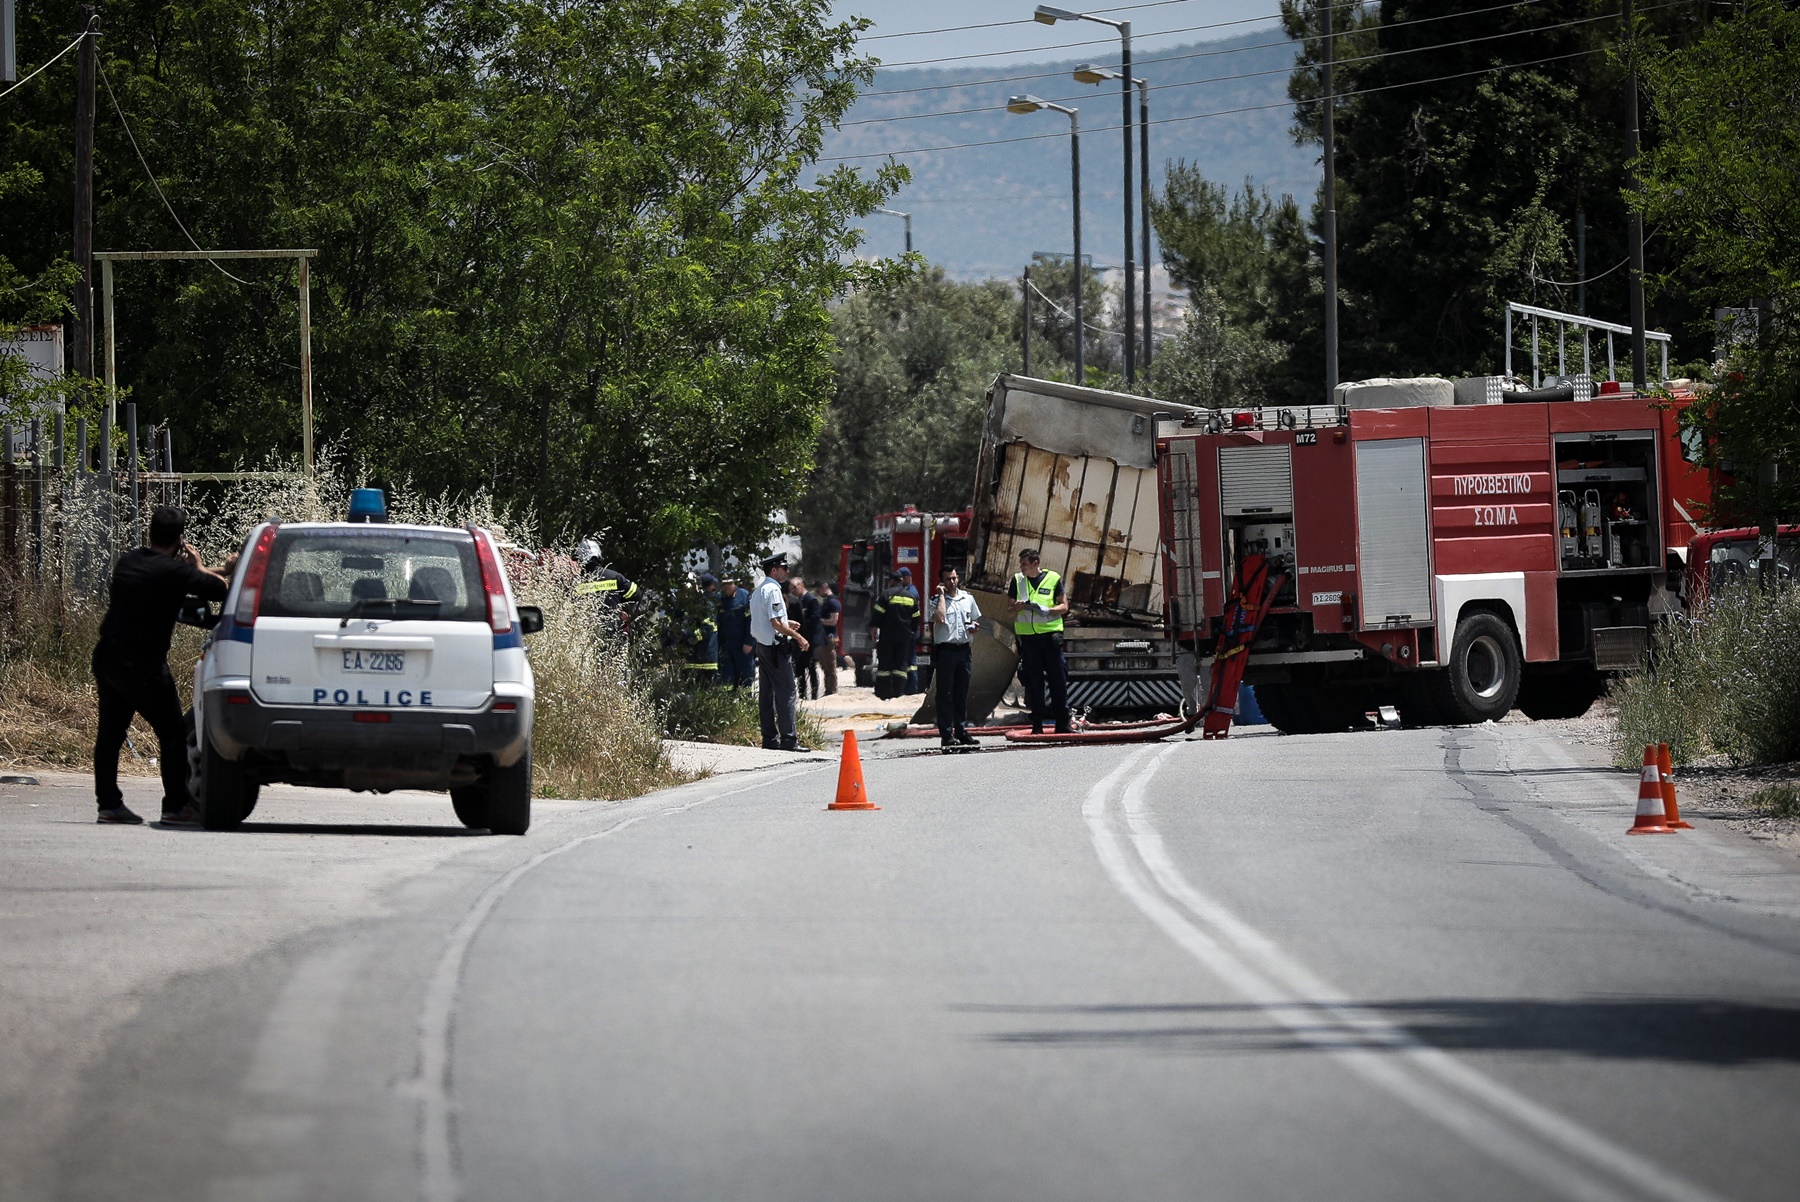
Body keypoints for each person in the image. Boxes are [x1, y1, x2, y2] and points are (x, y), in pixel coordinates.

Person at [92, 505, 237, 825]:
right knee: (172, 733)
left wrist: (210, 569)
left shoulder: (130, 562)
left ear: (150, 533)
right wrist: (202, 566)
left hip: (108, 658)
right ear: (181, 539)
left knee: (110, 734)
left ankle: (108, 804)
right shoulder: (176, 573)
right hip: (142, 665)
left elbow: (179, 578)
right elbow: (217, 589)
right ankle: (175, 806)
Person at [750, 553, 811, 752]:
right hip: (776, 648)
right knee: (787, 692)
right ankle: (789, 739)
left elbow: (768, 619)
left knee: (766, 694)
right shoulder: (773, 590)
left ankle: (769, 739)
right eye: (784, 568)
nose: (787, 571)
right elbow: (775, 623)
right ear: (774, 570)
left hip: (763, 646)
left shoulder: (759, 590)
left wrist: (787, 624)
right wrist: (798, 636)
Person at [1009, 548, 1072, 734]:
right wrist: (1017, 607)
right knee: (1033, 683)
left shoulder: (1053, 578)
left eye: (1024, 564)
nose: (1021, 568)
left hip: (1050, 639)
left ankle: (1063, 724)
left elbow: (1064, 606)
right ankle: (1037, 725)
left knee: (1057, 681)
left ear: (1035, 563)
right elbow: (1009, 609)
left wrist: (1048, 610)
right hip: (1029, 640)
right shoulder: (1017, 580)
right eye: (1020, 564)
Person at [931, 564, 981, 748]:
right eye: (947, 579)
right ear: (941, 582)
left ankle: (961, 730)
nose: (952, 582)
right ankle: (946, 734)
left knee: (961, 693)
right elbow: (939, 617)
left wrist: (973, 626)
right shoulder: (936, 600)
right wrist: (942, 595)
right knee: (945, 694)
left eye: (954, 578)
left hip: (964, 650)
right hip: (946, 652)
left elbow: (975, 618)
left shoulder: (967, 598)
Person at [870, 568, 920, 699]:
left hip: (888, 636)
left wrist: (874, 629)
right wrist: (912, 630)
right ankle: (899, 692)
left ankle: (882, 692)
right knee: (901, 665)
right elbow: (916, 617)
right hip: (904, 637)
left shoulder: (886, 595)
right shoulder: (910, 597)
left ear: (892, 581)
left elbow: (877, 614)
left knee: (885, 666)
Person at [574, 538, 639, 608]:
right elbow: (636, 593)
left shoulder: (573, 584)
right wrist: (620, 603)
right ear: (598, 556)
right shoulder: (614, 577)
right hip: (611, 618)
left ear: (579, 559)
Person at [680, 574, 720, 681]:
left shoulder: (706, 604)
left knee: (703, 691)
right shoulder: (686, 604)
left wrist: (689, 636)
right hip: (690, 658)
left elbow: (708, 627)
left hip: (705, 657)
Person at [715, 576, 753, 688]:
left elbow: (751, 621)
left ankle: (745, 702)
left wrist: (749, 642)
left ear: (734, 583)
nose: (726, 587)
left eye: (728, 584)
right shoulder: (719, 599)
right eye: (723, 585)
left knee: (745, 678)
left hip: (743, 645)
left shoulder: (745, 597)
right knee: (727, 679)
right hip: (726, 646)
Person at [791, 575, 822, 701]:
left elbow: (815, 619)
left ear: (801, 585)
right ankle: (802, 693)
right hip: (799, 639)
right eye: (791, 588)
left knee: (811, 667)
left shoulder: (811, 600)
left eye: (795, 587)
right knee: (799, 668)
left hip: (810, 639)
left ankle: (814, 694)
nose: (793, 590)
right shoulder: (795, 601)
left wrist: (801, 623)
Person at [814, 580, 841, 696]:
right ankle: (828, 690)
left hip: (830, 638)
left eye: (818, 590)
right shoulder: (826, 601)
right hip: (824, 638)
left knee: (830, 666)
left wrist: (819, 622)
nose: (818, 593)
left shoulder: (833, 602)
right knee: (825, 666)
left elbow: (834, 621)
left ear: (825, 587)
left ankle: (832, 690)